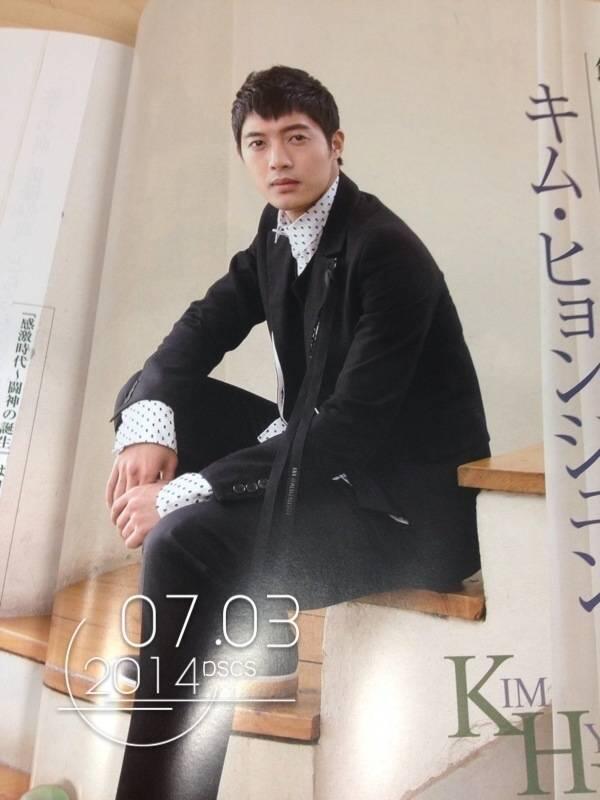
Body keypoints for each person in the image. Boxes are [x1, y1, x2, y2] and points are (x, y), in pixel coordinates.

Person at [105, 65, 490, 800]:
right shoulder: (277, 233)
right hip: (325, 469)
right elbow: (197, 330)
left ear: (334, 144)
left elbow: (347, 432)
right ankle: (233, 644)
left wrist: (182, 493)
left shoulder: (388, 252)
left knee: (183, 541)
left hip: (402, 515)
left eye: (296, 138)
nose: (277, 159)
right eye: (258, 143)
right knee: (151, 398)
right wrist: (146, 429)